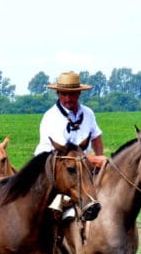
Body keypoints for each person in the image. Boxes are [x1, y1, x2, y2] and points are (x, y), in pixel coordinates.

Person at [35, 71, 105, 219]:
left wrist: (100, 157)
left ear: (79, 93)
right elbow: (66, 155)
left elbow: (96, 137)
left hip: (81, 167)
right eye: (63, 94)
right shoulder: (51, 117)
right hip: (54, 169)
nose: (67, 98)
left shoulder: (88, 113)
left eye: (72, 94)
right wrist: (95, 161)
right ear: (58, 94)